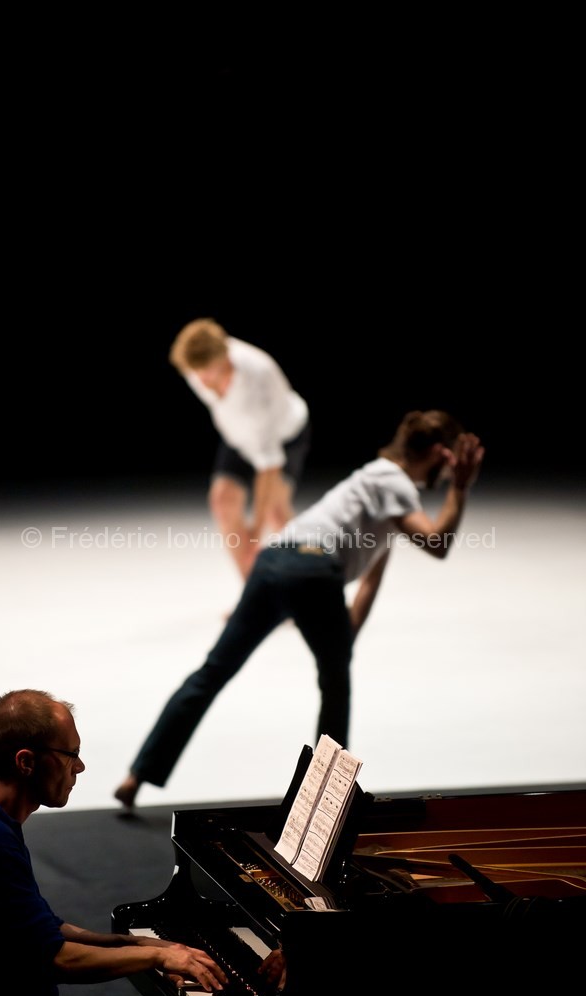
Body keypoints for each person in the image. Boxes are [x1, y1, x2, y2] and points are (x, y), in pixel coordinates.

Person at [113, 409, 485, 810]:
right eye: (446, 469)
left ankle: (137, 776)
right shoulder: (394, 482)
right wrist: (461, 490)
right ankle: (324, 802)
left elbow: (372, 579)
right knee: (335, 689)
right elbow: (438, 543)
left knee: (213, 672)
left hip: (274, 560)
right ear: (437, 453)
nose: (444, 479)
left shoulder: (374, 483)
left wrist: (342, 643)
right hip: (311, 568)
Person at [0, 689, 285, 996]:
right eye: (70, 755)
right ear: (26, 762)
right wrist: (157, 955)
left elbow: (42, 930)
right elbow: (55, 959)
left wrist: (133, 941)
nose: (80, 767)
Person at [169, 317, 311, 581]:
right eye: (195, 372)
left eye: (207, 371)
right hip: (238, 435)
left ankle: (310, 587)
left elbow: (270, 465)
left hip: (283, 435)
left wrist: (255, 531)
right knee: (222, 502)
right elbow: (204, 376)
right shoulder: (196, 365)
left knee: (275, 513)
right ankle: (254, 595)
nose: (201, 379)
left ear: (225, 359)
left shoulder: (257, 376)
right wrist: (246, 543)